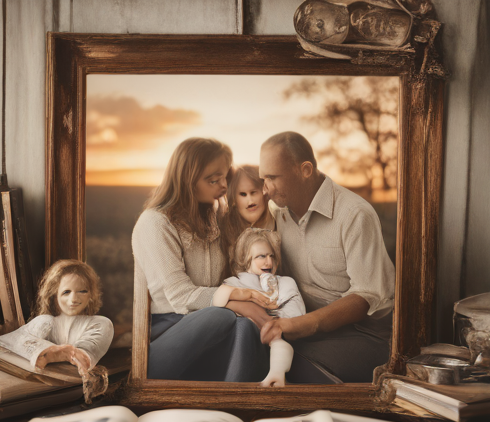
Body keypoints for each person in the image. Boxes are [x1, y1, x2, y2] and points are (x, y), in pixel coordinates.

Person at [256, 131, 396, 383]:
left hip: (365, 335)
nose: (266, 189)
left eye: (273, 177)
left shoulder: (354, 215)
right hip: (307, 330)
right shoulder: (279, 215)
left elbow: (366, 296)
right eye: (263, 178)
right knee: (256, 353)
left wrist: (300, 325)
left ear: (306, 170)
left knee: (288, 368)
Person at [132, 137, 271, 382]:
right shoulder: (155, 222)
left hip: (217, 331)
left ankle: (237, 406)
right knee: (221, 315)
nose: (223, 185)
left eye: (225, 177)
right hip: (167, 333)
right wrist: (239, 299)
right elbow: (180, 296)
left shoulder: (213, 218)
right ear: (187, 180)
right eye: (213, 180)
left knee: (246, 328)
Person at [213, 228, 306, 387]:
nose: (268, 262)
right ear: (245, 259)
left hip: (282, 336)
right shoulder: (234, 283)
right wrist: (245, 296)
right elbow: (216, 301)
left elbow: (296, 317)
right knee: (241, 324)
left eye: (272, 256)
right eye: (261, 256)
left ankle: (276, 369)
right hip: (246, 342)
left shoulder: (286, 283)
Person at [0, 259, 113, 373]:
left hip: (74, 378)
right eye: (66, 292)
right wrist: (52, 350)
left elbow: (87, 353)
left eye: (82, 291)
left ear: (91, 295)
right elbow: (9, 339)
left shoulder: (99, 323)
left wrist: (69, 354)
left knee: (104, 324)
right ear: (54, 295)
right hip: (43, 380)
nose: (74, 299)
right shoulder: (46, 321)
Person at [220, 165, 274, 279]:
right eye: (243, 194)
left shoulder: (279, 221)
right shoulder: (226, 229)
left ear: (264, 191)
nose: (250, 201)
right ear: (234, 199)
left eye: (253, 192)